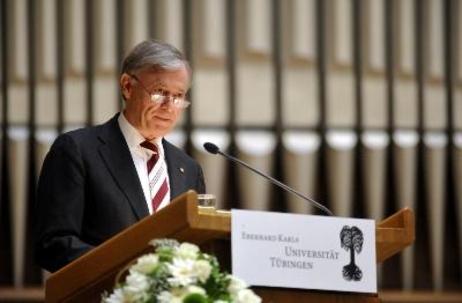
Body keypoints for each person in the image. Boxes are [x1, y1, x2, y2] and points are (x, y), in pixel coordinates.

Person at [35, 40, 206, 272]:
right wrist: (134, 271)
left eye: (178, 96)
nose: (169, 106)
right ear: (127, 86)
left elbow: (198, 250)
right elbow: (53, 244)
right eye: (160, 92)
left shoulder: (189, 169)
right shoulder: (77, 150)